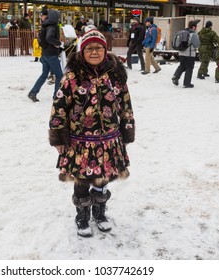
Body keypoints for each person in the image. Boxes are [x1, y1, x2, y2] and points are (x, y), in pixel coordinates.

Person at [48, 29, 135, 237]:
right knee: (81, 181)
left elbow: (125, 105)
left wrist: (127, 128)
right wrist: (58, 136)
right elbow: (59, 106)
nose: (94, 52)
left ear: (105, 50)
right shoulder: (71, 77)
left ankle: (100, 212)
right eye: (89, 48)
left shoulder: (116, 75)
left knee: (102, 180)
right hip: (80, 142)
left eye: (98, 48)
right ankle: (82, 215)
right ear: (82, 51)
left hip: (108, 141)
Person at [27, 8, 63, 102]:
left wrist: (57, 47)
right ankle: (56, 96)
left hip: (45, 54)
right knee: (59, 75)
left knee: (44, 75)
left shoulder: (45, 25)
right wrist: (58, 43)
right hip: (51, 55)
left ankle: (33, 93)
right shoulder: (52, 26)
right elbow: (49, 38)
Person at [171, 19, 201, 88]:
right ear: (193, 27)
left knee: (182, 66)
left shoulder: (183, 32)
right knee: (189, 68)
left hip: (181, 53)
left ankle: (175, 76)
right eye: (196, 26)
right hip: (189, 55)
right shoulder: (193, 34)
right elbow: (197, 45)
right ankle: (187, 83)